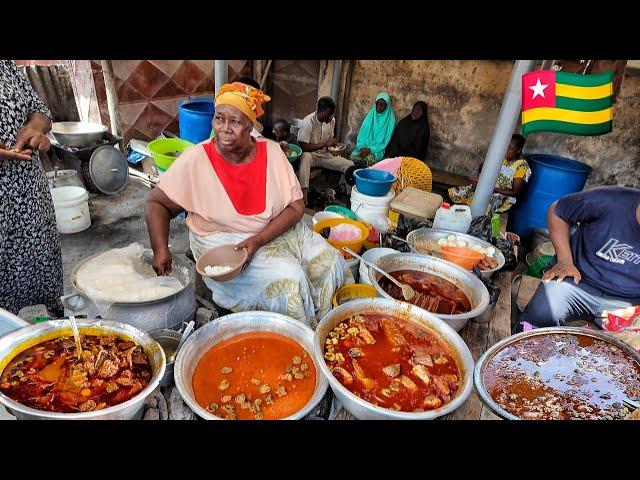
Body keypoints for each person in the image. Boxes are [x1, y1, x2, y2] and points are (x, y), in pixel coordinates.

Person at [145, 82, 353, 327]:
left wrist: (259, 239)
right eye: (219, 119)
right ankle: (301, 337)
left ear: (251, 126)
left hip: (276, 230)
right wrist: (161, 249)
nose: (224, 129)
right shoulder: (197, 159)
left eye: (234, 122)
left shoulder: (273, 153)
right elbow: (156, 203)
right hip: (224, 241)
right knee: (290, 280)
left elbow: (296, 208)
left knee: (331, 262)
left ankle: (330, 327)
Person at [517, 186, 640, 331]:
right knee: (540, 315)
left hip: (628, 303)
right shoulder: (612, 200)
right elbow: (557, 211)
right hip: (576, 281)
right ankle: (510, 352)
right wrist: (564, 261)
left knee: (629, 348)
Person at [0, 60, 62, 315]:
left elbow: (39, 109)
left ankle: (51, 336)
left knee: (42, 271)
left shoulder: (3, 65)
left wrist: (34, 129)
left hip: (30, 195)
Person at [448, 133, 530, 213]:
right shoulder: (502, 157)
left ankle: (468, 217)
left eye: (509, 147)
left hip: (503, 198)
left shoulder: (522, 166)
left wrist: (492, 189)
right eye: (505, 145)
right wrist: (485, 165)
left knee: (481, 203)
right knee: (459, 192)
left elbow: (515, 192)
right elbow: (480, 171)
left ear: (518, 150)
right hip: (489, 190)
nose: (505, 149)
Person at [297, 96, 354, 205]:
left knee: (350, 165)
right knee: (305, 157)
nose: (331, 116)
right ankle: (304, 195)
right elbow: (303, 147)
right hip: (312, 156)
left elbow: (329, 141)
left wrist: (333, 147)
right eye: (329, 113)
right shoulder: (308, 121)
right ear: (321, 112)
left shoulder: (331, 120)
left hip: (326, 155)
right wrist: (324, 144)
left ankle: (350, 197)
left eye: (332, 113)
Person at [349, 92, 395, 166]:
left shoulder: (390, 119)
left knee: (367, 161)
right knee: (353, 157)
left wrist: (371, 150)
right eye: (378, 104)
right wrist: (362, 148)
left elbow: (385, 141)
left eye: (382, 104)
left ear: (387, 106)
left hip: (377, 150)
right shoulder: (371, 115)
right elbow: (362, 135)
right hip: (363, 147)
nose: (379, 106)